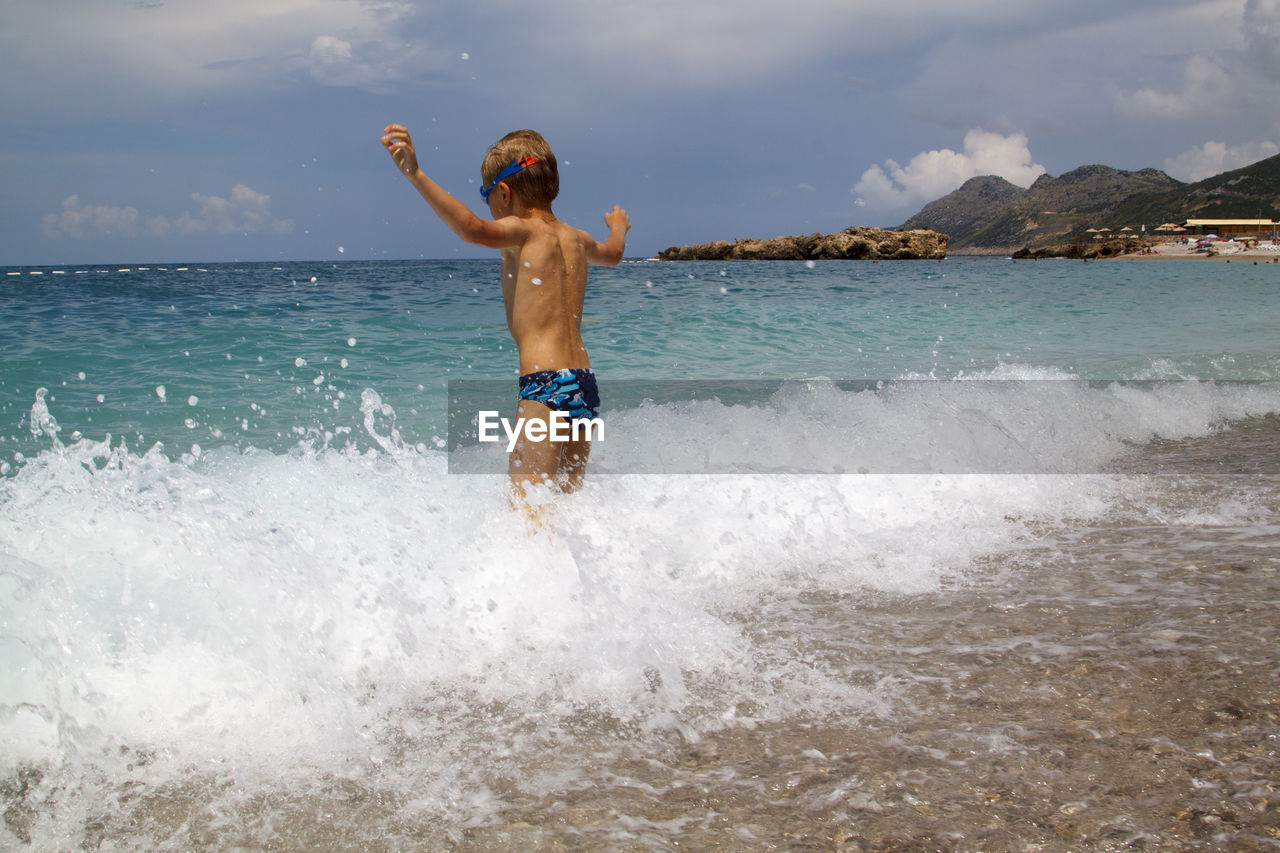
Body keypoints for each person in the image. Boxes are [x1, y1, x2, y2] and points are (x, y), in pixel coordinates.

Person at [380, 124, 630, 514]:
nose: (487, 208)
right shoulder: (578, 239)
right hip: (584, 385)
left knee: (526, 513)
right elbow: (613, 254)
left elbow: (470, 229)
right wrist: (617, 226)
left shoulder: (523, 232)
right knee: (567, 508)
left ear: (503, 192)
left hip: (544, 386)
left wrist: (416, 174)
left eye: (485, 197)